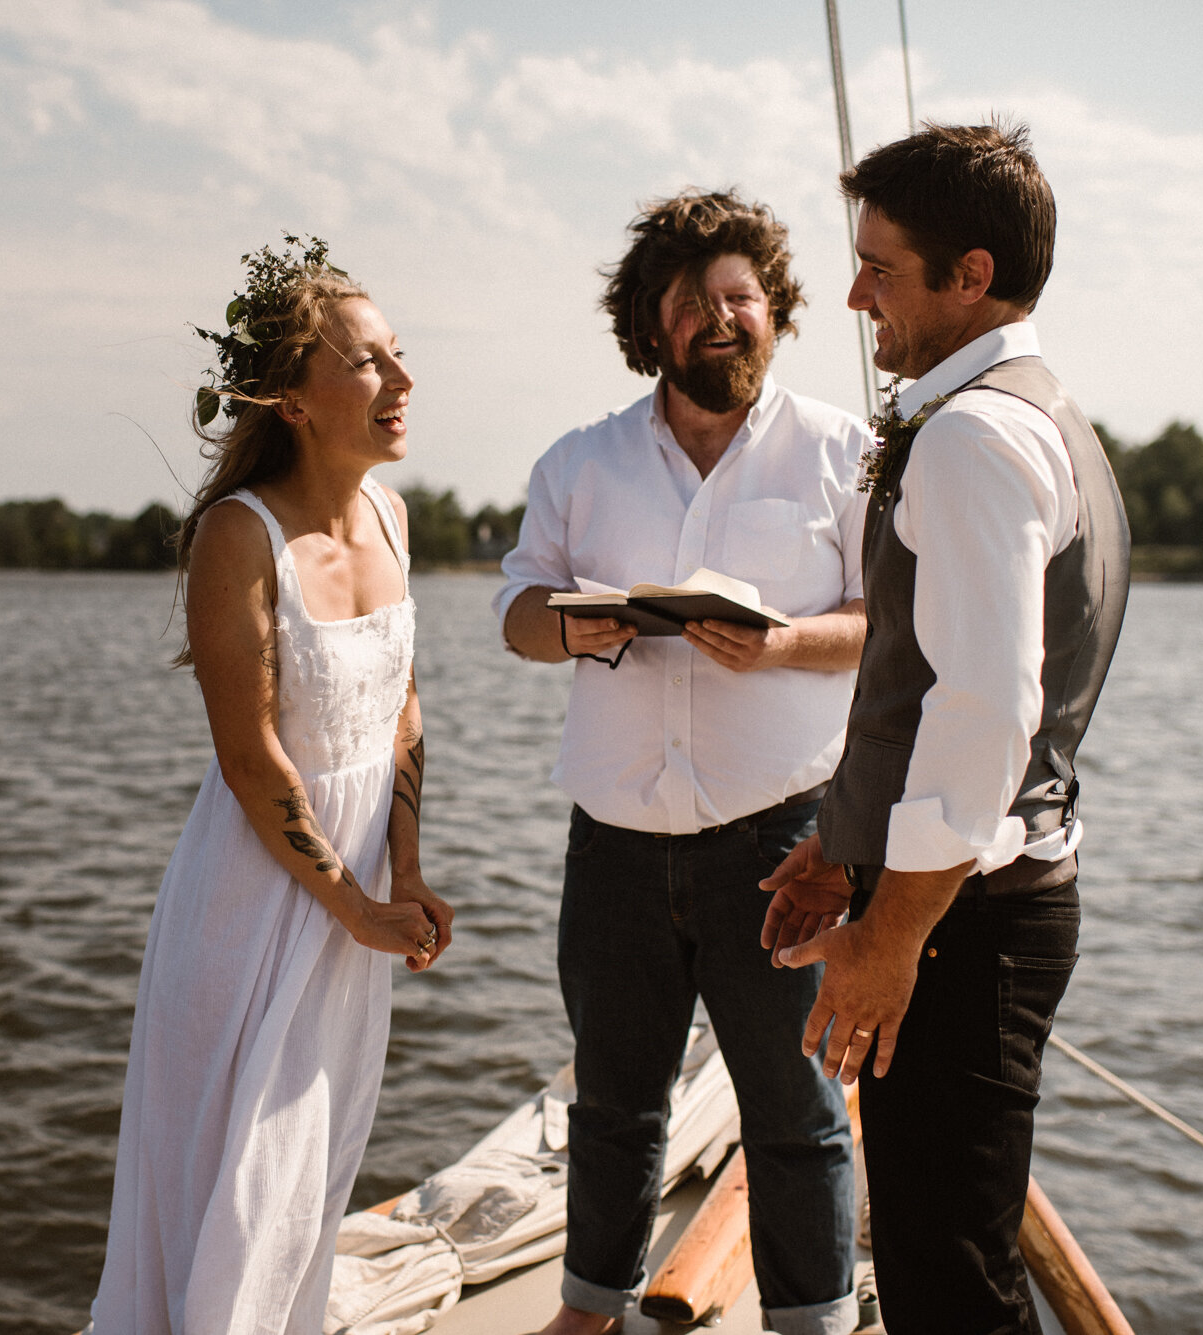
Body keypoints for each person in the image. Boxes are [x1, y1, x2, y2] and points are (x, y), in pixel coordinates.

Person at [761, 122, 1130, 1335]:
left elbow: (985, 709)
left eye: (878, 266)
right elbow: (919, 682)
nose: (854, 293)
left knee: (947, 1279)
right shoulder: (1039, 414)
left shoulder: (972, 435)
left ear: (969, 276)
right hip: (968, 899)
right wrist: (840, 845)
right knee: (938, 1252)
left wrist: (891, 934)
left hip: (967, 921)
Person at [495, 190, 872, 1335]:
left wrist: (785, 645)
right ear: (649, 326)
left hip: (779, 840)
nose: (721, 319)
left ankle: (808, 1323)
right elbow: (515, 609)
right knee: (610, 1100)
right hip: (611, 840)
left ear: (772, 313)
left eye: (739, 298)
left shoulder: (842, 453)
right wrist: (569, 626)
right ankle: (588, 1309)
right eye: (692, 303)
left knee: (794, 1107)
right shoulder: (580, 461)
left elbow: (892, 627)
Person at [86, 239, 453, 1335]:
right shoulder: (235, 539)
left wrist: (410, 874)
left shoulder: (391, 519)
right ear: (291, 398)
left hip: (358, 900)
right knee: (234, 1175)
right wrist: (354, 904)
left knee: (309, 1167)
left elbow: (403, 708)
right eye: (368, 363)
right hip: (253, 904)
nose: (399, 382)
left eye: (399, 357)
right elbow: (251, 760)